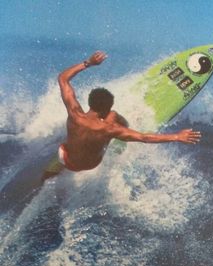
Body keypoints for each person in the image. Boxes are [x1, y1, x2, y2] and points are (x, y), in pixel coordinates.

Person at [42, 51, 201, 181]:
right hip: (91, 164)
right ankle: (127, 127)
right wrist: (176, 136)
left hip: (67, 159)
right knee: (114, 118)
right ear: (107, 107)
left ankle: (46, 177)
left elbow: (62, 78)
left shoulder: (74, 113)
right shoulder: (110, 128)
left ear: (90, 103)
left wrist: (88, 63)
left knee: (63, 151)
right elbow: (144, 138)